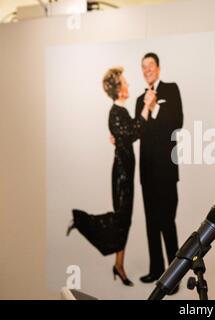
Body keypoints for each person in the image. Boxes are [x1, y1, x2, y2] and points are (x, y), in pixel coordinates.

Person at [68, 67, 151, 287]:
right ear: (119, 89)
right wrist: (146, 108)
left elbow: (128, 133)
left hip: (127, 171)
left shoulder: (120, 112)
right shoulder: (115, 113)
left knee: (125, 220)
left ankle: (118, 264)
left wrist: (121, 136)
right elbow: (134, 132)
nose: (128, 85)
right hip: (122, 174)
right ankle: (81, 221)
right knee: (121, 219)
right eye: (125, 83)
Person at [136, 53, 183, 291]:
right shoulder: (138, 100)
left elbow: (177, 122)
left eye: (150, 66)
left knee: (167, 221)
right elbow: (138, 130)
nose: (147, 70)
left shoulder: (171, 90)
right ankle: (155, 269)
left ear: (158, 68)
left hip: (165, 171)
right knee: (151, 223)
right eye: (143, 67)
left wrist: (155, 109)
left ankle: (172, 277)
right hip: (146, 172)